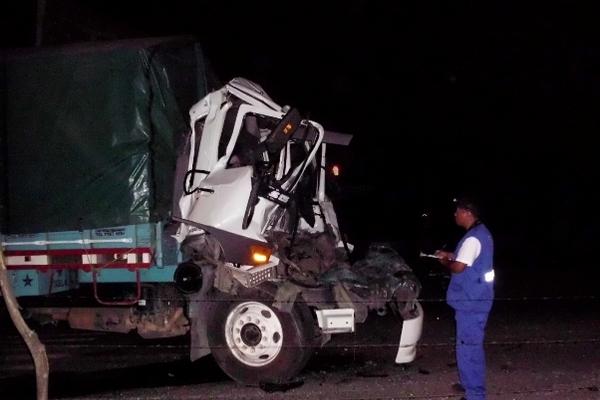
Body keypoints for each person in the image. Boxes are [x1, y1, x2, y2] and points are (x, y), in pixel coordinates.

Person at [435, 196, 495, 400]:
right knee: (467, 345)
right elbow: (467, 259)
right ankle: (469, 384)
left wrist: (444, 261)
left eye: (458, 211)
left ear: (467, 213)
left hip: (472, 301)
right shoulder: (481, 233)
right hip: (477, 298)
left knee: (470, 347)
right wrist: (451, 254)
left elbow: (459, 267)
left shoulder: (472, 238)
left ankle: (475, 394)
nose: (455, 214)